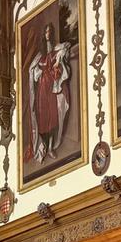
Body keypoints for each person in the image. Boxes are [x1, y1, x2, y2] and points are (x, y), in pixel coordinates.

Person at [28, 22, 72, 162]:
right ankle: (45, 146)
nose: (48, 34)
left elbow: (65, 47)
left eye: (49, 32)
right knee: (43, 119)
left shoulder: (55, 49)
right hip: (42, 89)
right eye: (46, 32)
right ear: (43, 34)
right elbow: (33, 71)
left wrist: (57, 62)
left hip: (52, 88)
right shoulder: (40, 54)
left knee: (53, 118)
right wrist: (38, 71)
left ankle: (52, 147)